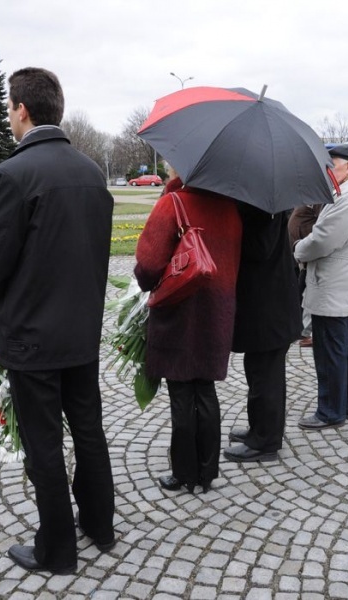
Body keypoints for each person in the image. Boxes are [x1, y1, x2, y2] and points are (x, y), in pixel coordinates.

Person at [0, 67, 115, 574]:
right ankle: (100, 523)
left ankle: (57, 550)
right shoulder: (91, 172)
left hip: (33, 336)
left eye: (9, 108)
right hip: (81, 331)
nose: (8, 116)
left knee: (44, 443)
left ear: (22, 110)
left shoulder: (14, 174)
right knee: (89, 429)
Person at [133, 163, 242, 493]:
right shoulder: (230, 207)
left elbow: (147, 268)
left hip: (180, 311)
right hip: (217, 311)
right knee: (205, 390)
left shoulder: (173, 203)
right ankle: (207, 471)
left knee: (181, 392)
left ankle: (184, 472)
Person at [294, 144, 348, 429]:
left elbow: (322, 240)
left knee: (331, 351)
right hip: (344, 282)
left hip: (334, 284)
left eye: (334, 164)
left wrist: (297, 249)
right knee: (345, 348)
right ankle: (347, 404)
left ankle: (331, 411)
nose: (329, 170)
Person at [224, 204, 302, 463]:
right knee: (259, 370)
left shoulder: (263, 206)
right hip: (269, 305)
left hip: (269, 307)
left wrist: (233, 229)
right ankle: (259, 429)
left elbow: (260, 248)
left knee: (265, 376)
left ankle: (265, 442)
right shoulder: (264, 202)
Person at [288, 202, 324, 348]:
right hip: (298, 252)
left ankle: (308, 331)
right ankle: (301, 328)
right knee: (301, 289)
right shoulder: (303, 195)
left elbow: (320, 222)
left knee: (306, 290)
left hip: (308, 251)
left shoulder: (318, 197)